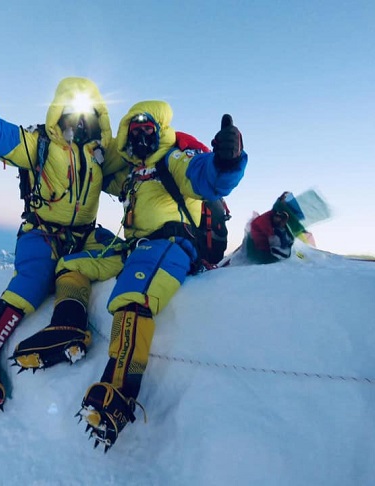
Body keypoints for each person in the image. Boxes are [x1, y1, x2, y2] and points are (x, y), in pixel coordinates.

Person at [76, 100, 247, 451]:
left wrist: (226, 161)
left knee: (133, 295)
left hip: (171, 244)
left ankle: (119, 393)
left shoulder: (173, 160)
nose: (141, 138)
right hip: (137, 246)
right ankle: (66, 328)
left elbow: (205, 176)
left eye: (147, 131)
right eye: (135, 132)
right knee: (78, 259)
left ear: (160, 134)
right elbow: (102, 178)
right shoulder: (133, 174)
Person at [0, 58, 125, 411]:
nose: (80, 120)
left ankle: (67, 323)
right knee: (31, 282)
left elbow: (130, 176)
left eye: (89, 112)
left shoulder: (99, 156)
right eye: (73, 110)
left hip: (85, 236)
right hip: (42, 233)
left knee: (130, 251)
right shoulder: (41, 145)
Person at [244, 191, 316, 264]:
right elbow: (265, 253)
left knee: (297, 253)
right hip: (264, 254)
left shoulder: (290, 226)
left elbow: (298, 249)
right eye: (279, 215)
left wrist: (306, 258)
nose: (282, 219)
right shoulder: (262, 223)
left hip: (285, 252)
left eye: (285, 217)